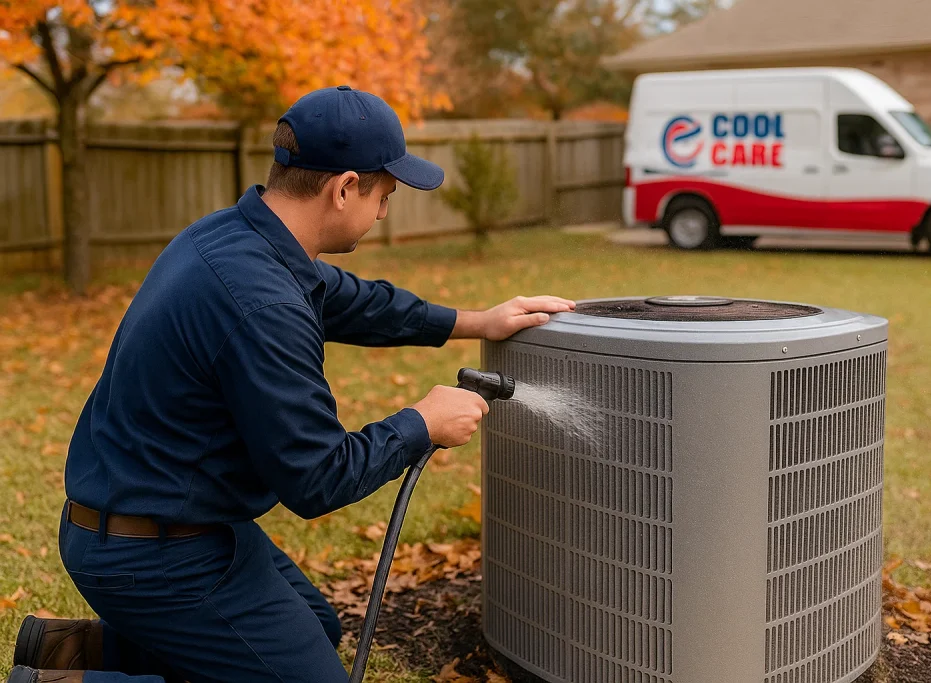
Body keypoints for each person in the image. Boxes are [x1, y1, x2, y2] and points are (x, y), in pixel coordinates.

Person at [7, 86, 575, 683]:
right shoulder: (262, 302)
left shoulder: (235, 236)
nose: (384, 213)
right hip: (155, 554)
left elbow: (351, 300)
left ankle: (76, 650)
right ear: (345, 188)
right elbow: (317, 477)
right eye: (384, 196)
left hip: (170, 518)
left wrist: (476, 322)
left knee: (318, 627)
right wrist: (422, 424)